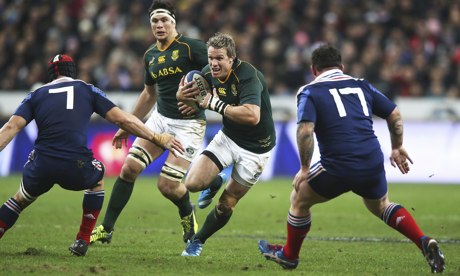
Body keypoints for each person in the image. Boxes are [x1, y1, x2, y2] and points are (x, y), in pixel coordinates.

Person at [258, 44, 445, 273]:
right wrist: (397, 148)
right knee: (381, 205)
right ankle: (423, 240)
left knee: (298, 199)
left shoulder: (309, 91)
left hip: (337, 166)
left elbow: (305, 131)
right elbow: (394, 113)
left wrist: (305, 168)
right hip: (371, 162)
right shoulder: (361, 85)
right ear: (342, 66)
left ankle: (289, 256)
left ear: (314, 70)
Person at [0, 54, 184, 256]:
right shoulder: (86, 89)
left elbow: (11, 127)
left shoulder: (36, 94)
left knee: (20, 198)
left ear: (51, 74)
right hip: (76, 163)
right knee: (97, 178)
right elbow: (124, 120)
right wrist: (157, 137)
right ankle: (82, 239)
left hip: (42, 163)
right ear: (72, 70)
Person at [90, 0, 226, 245]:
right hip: (159, 119)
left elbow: (220, 72)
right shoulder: (150, 55)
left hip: (188, 125)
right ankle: (106, 228)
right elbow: (149, 94)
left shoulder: (191, 47)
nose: (159, 25)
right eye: (155, 20)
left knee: (167, 186)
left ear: (174, 22)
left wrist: (203, 99)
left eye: (164, 20)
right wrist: (127, 124)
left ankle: (187, 213)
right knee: (129, 169)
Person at [176, 32, 276, 256]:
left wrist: (213, 103)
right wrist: (184, 96)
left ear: (232, 59)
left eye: (220, 58)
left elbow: (252, 116)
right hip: (229, 137)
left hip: (257, 148)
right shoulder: (206, 74)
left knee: (225, 205)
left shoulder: (249, 75)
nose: (213, 63)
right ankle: (214, 181)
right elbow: (185, 97)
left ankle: (198, 240)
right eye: (211, 58)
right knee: (191, 183)